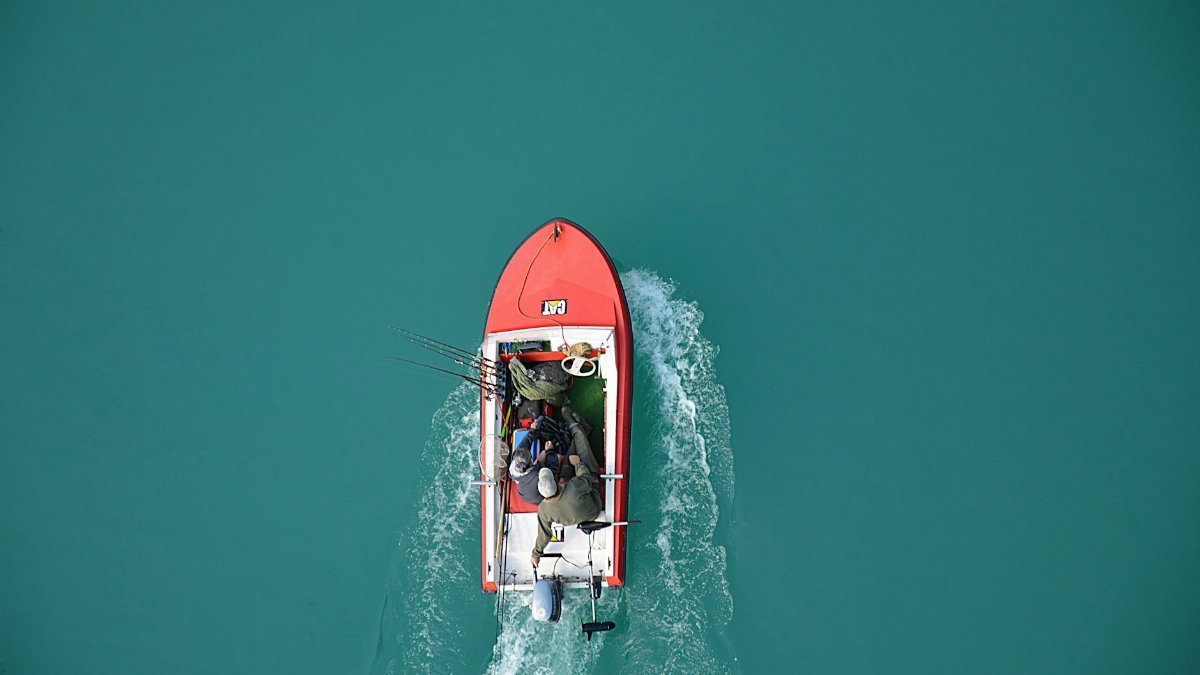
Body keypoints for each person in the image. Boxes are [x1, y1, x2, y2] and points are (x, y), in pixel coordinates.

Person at [529, 404, 602, 567]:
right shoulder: (574, 487)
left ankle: (580, 428)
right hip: (594, 505)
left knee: (571, 453)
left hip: (576, 515)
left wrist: (536, 554)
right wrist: (578, 465)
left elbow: (544, 534)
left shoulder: (544, 510)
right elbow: (587, 479)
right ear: (556, 483)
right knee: (580, 448)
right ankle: (576, 425)